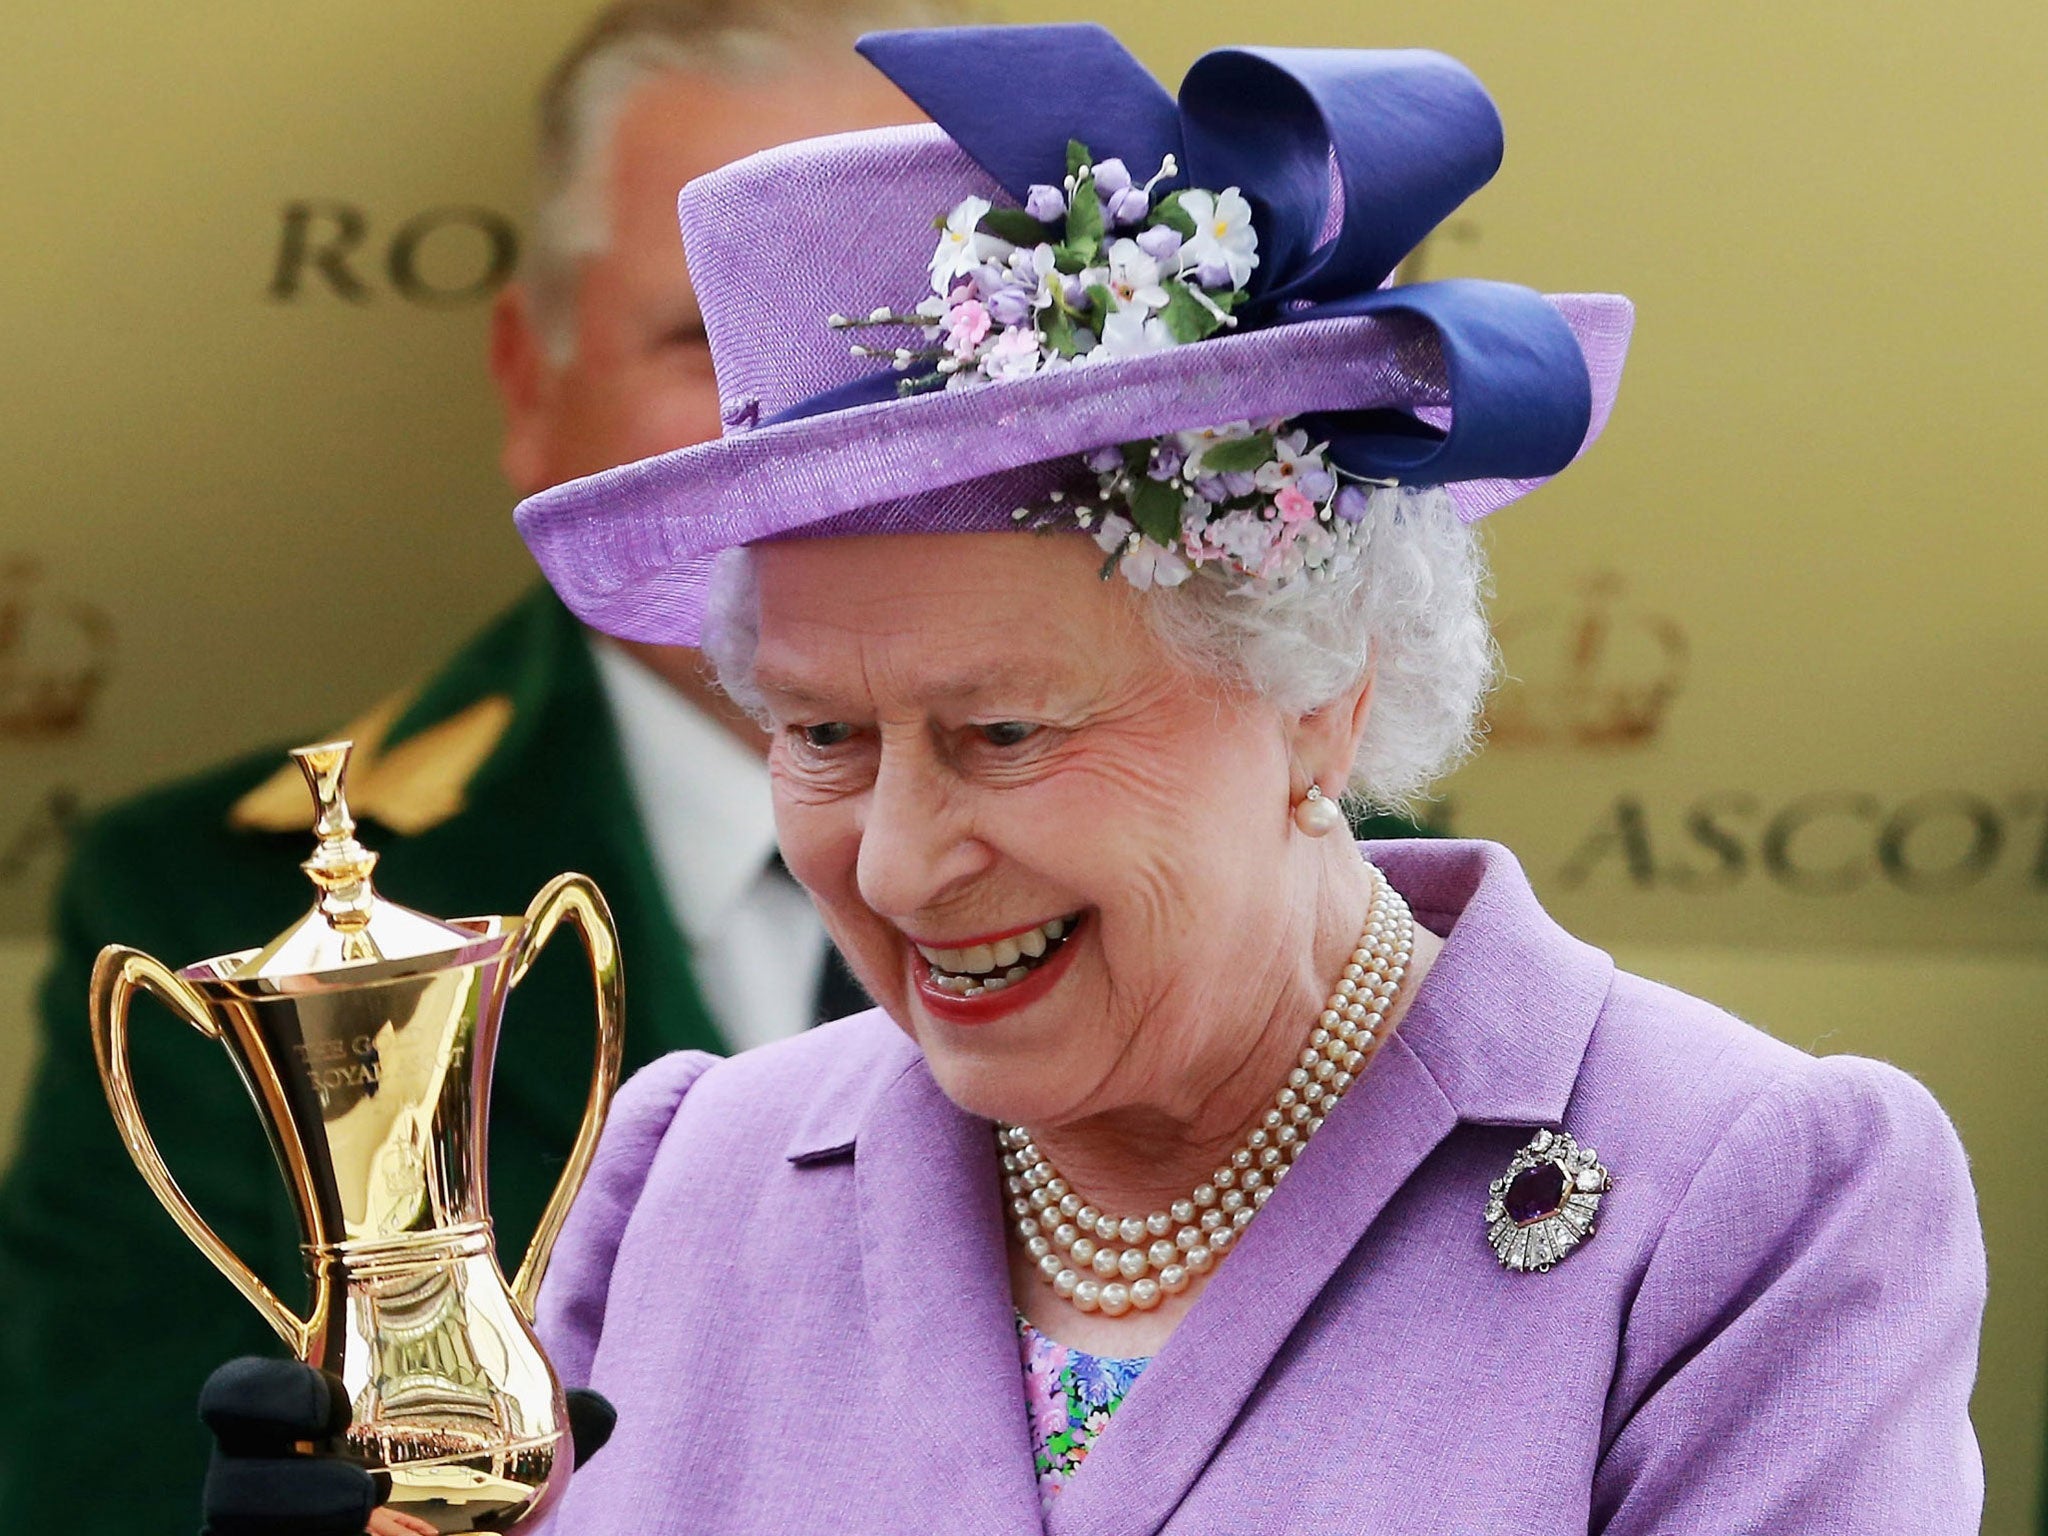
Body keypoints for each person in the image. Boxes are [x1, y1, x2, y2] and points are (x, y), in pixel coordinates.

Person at [200, 21, 1985, 1534]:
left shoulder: (1751, 1199)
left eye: (1004, 735)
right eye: (822, 735)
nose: (897, 866)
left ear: (1320, 700)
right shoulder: (693, 1176)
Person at [0, 4, 948, 1529]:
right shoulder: (202, 913)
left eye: (903, 347)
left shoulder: (1314, 851)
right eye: (704, 341)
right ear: (530, 379)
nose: (803, 434)